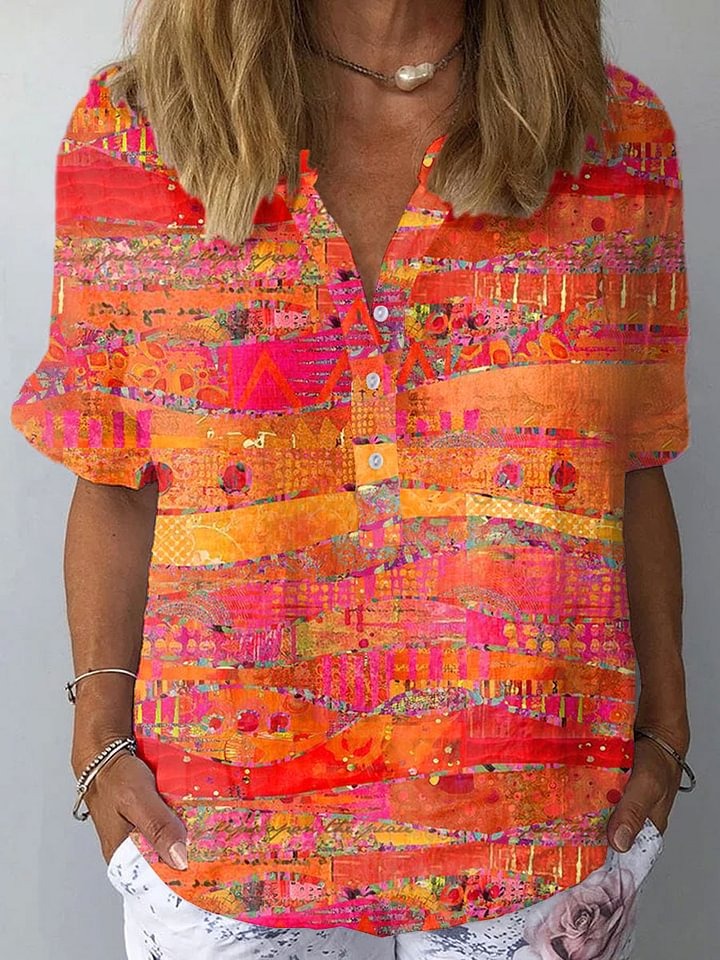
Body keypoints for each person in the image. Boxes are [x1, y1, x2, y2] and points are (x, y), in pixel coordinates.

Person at [9, 1, 696, 958]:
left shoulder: (612, 140)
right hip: (212, 834)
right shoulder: (140, 134)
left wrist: (666, 725)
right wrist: (99, 739)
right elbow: (116, 476)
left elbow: (633, 460)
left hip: (544, 824)